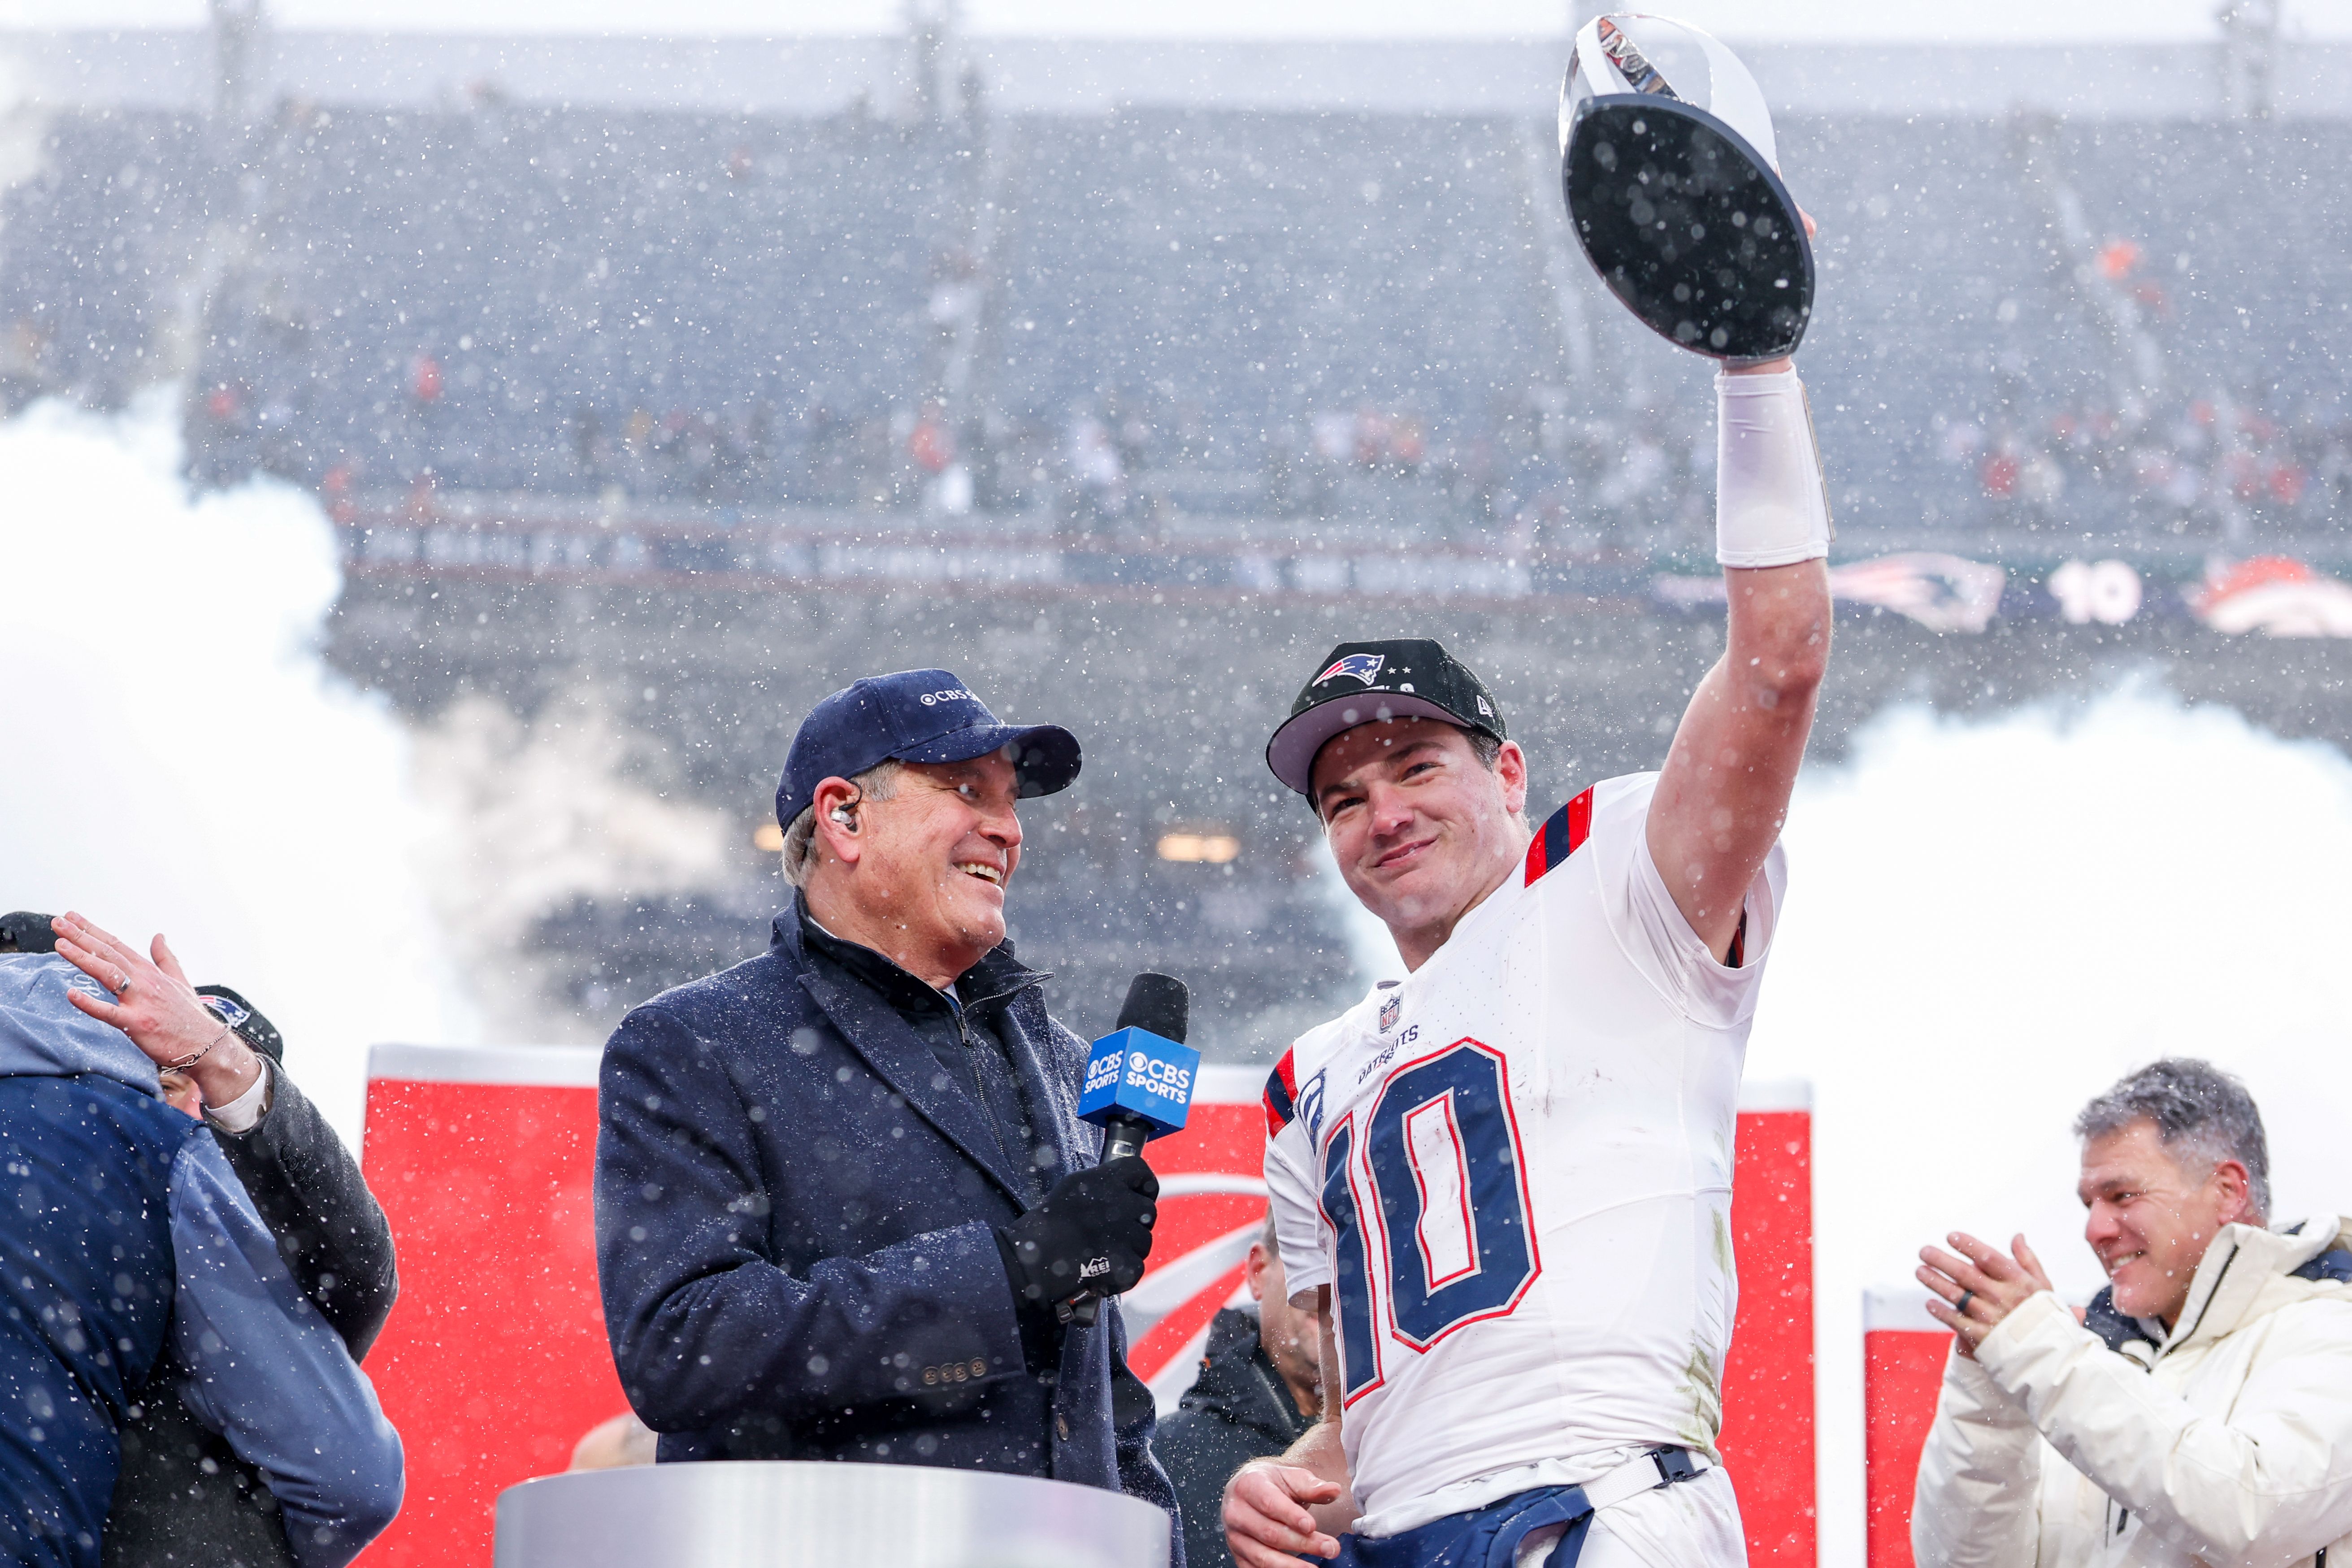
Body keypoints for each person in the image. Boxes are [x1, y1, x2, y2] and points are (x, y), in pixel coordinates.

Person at [1223, 340, 1834, 1567]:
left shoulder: (1607, 883)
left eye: (1413, 767)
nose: (1381, 812)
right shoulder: (1309, 1083)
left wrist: (1755, 374)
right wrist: (1284, 1484)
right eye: (1342, 800)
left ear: (1506, 773)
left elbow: (1776, 659)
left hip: (1594, 1494)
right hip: (1394, 1539)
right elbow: (1368, 1419)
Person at [596, 669, 1181, 1548]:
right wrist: (1007, 1279)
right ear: (844, 817)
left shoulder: (1065, 1061)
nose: (1008, 828)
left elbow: (1104, 1404)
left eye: (1010, 800)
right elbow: (682, 1345)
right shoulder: (692, 1045)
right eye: (965, 789)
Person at [12, 911, 402, 1568]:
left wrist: (226, 1065)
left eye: (202, 1089)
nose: (179, 1116)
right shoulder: (123, 1158)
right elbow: (351, 1481)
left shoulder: (207, 1190)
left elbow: (358, 1277)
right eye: (160, 1080)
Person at [1910, 1058, 2352, 1568]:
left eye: (2122, 1195)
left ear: (2227, 1190)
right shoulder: (2087, 1367)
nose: (2095, 1228)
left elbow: (2250, 1513)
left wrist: (2039, 1350)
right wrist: (1987, 1392)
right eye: (2088, 1204)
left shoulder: (2331, 1326)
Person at [1161, 1215, 1320, 1568]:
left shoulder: (1417, 1448)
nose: (1330, 1282)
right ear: (1259, 1269)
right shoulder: (1160, 1455)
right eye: (1315, 1256)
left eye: (1350, 1262)